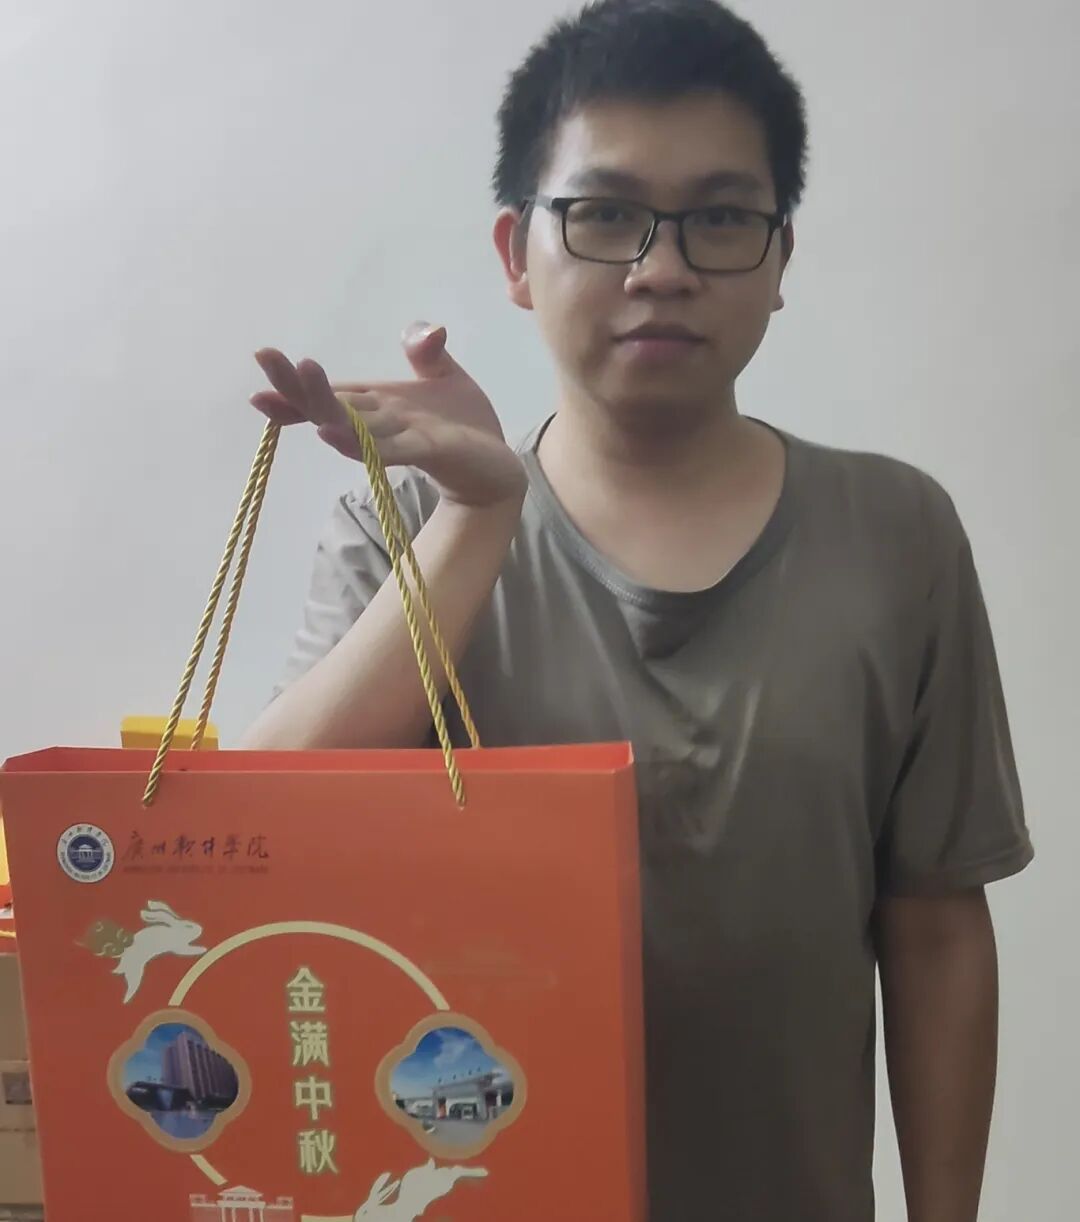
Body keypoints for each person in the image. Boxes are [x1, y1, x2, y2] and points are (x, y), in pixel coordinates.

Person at [242, 1, 1033, 1218]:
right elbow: (266, 852)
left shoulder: (898, 534)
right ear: (516, 254)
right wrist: (478, 517)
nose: (662, 268)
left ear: (779, 258)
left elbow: (934, 927)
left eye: (719, 218)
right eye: (605, 214)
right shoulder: (400, 525)